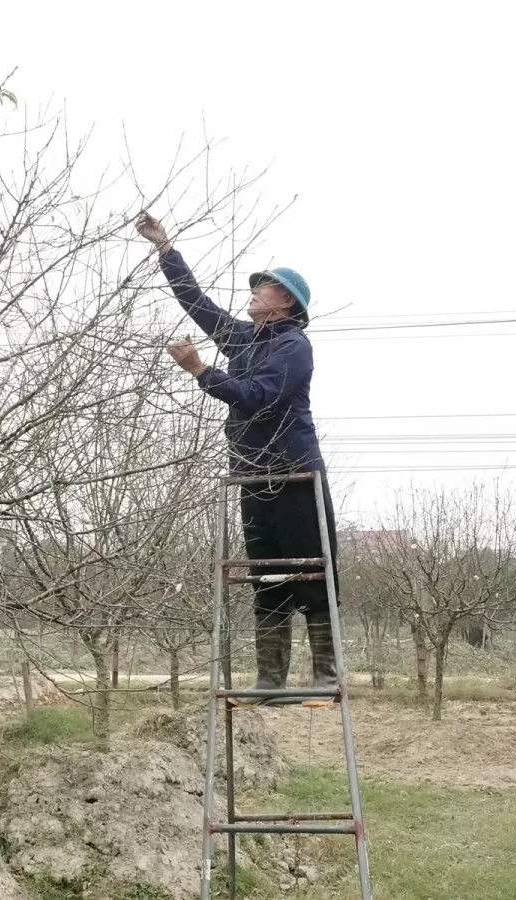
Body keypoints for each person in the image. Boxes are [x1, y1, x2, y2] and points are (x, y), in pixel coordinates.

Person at [136, 211, 340, 693]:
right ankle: (271, 681)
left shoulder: (294, 347)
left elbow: (254, 395)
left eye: (263, 286)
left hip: (294, 476)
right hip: (252, 476)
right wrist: (165, 247)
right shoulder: (246, 339)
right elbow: (197, 304)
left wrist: (201, 371)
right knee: (266, 580)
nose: (253, 290)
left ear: (285, 302)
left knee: (309, 574)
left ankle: (325, 676)